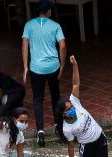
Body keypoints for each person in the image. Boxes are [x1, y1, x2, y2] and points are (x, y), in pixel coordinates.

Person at [60, 58, 110, 157]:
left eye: (71, 107)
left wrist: (75, 65)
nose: (71, 109)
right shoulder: (66, 128)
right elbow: (70, 145)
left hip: (101, 140)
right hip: (87, 147)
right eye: (67, 110)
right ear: (63, 114)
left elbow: (75, 83)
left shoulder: (74, 101)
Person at [20, 0, 67, 145]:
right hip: (53, 67)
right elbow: (63, 46)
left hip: (36, 68)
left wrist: (25, 67)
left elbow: (24, 45)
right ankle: (59, 129)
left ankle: (40, 131)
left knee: (38, 99)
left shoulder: (29, 25)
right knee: (56, 98)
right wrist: (62, 66)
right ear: (48, 11)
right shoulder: (56, 26)